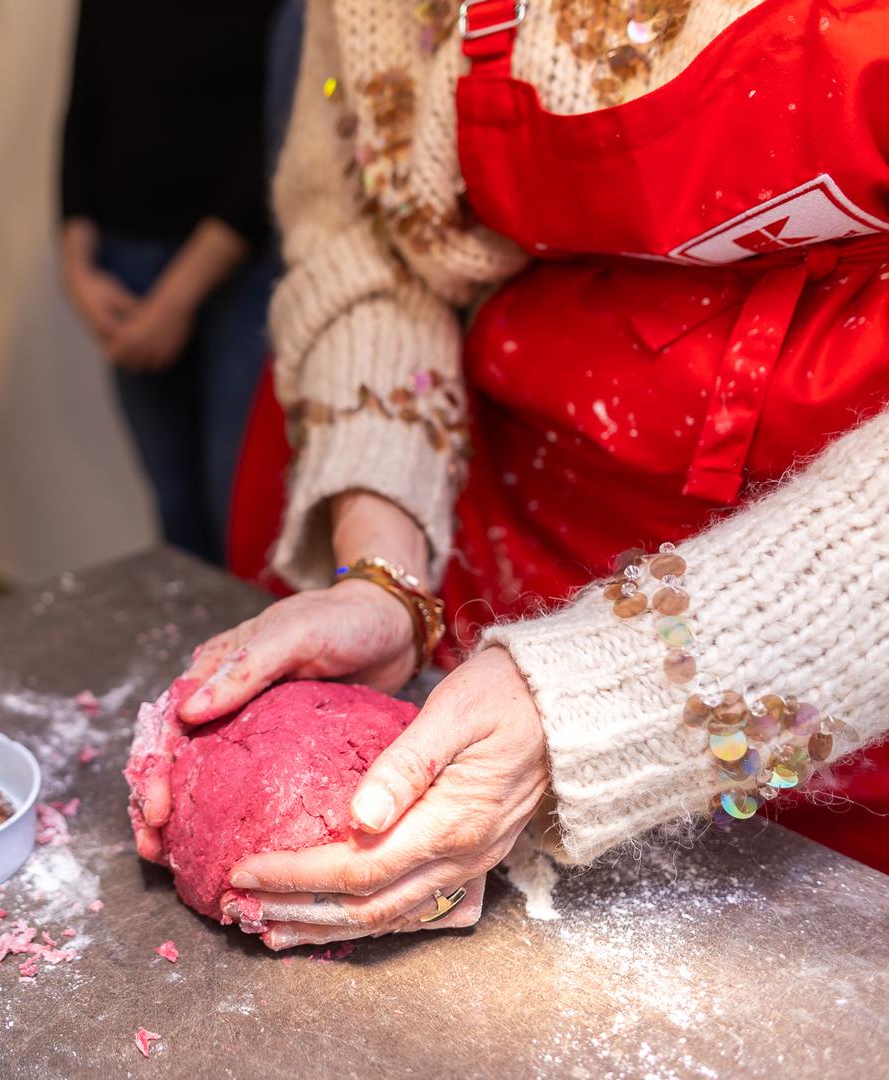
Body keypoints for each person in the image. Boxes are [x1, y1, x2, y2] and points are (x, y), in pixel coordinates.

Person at [129, 0, 889, 949]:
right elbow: (374, 247)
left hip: (843, 650)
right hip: (502, 551)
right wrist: (385, 571)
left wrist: (587, 698)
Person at [59, 0, 282, 565]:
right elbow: (81, 113)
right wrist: (77, 267)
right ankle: (193, 627)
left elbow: (277, 139)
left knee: (242, 515)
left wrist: (176, 299)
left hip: (246, 275)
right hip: (127, 268)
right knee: (176, 505)